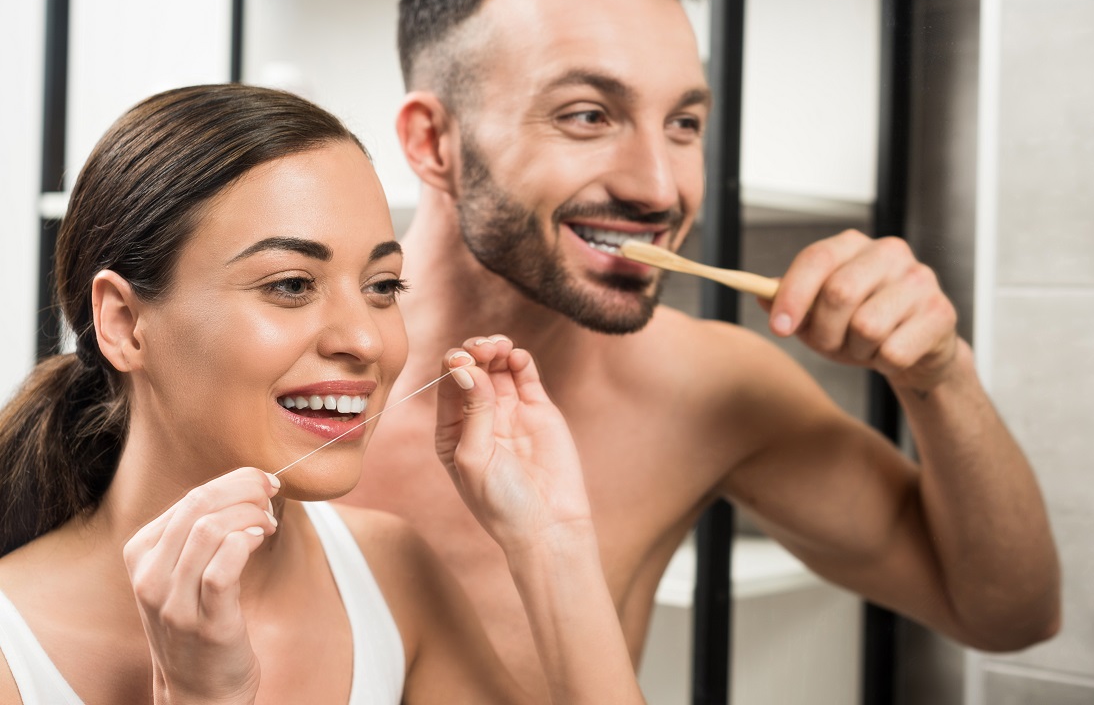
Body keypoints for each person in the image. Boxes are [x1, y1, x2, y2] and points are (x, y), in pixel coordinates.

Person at [340, 0, 1063, 693]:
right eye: (588, 115)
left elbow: (1006, 614)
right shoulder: (265, 374)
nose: (661, 186)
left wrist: (939, 375)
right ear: (431, 143)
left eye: (684, 122)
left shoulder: (707, 389)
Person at [0, 83, 647, 704]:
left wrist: (552, 542)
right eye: (290, 284)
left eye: (383, 286)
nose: (365, 340)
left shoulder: (390, 573)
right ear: (123, 322)